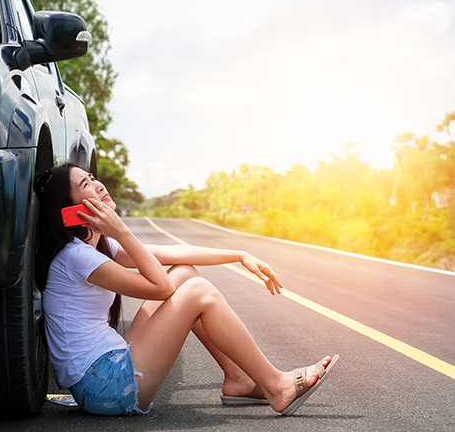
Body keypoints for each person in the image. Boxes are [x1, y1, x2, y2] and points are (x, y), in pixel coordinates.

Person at [35, 162, 338, 416]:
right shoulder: (77, 257)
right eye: (86, 183)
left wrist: (239, 255)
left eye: (93, 177)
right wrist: (123, 231)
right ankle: (277, 386)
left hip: (106, 371)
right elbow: (160, 286)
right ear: (71, 211)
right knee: (197, 292)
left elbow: (175, 255)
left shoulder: (97, 247)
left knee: (185, 273)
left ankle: (239, 378)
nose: (99, 184)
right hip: (105, 386)